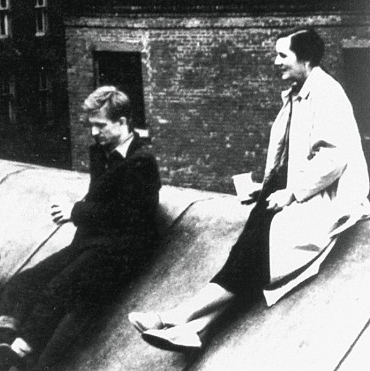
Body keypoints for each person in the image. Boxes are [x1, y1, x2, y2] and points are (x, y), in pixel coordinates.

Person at [131, 28, 370, 353]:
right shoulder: (298, 92)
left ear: (307, 59)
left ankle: (176, 317)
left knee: (256, 252)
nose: (276, 62)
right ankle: (197, 329)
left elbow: (333, 157)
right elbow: (290, 151)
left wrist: (292, 192)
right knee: (247, 255)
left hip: (322, 198)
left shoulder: (328, 93)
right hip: (286, 191)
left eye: (282, 55)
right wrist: (266, 185)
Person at [0, 86, 162, 371]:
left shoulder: (142, 162)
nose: (94, 132)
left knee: (56, 290)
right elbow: (102, 201)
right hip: (91, 244)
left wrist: (75, 212)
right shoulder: (104, 154)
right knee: (22, 283)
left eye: (100, 125)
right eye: (91, 125)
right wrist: (79, 210)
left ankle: (17, 355)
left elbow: (131, 215)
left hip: (119, 252)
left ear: (124, 121)